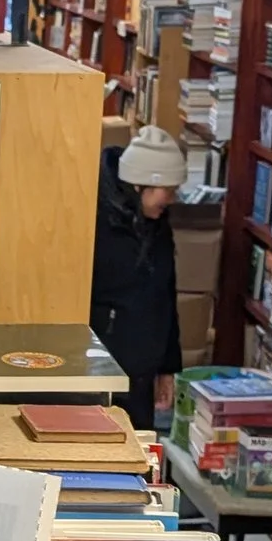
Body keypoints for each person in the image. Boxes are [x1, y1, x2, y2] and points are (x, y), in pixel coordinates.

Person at [91, 125, 187, 434]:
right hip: (102, 371)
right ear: (142, 184)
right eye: (168, 190)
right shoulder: (97, 221)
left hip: (142, 374)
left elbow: (165, 294)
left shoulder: (157, 223)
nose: (171, 199)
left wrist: (168, 367)